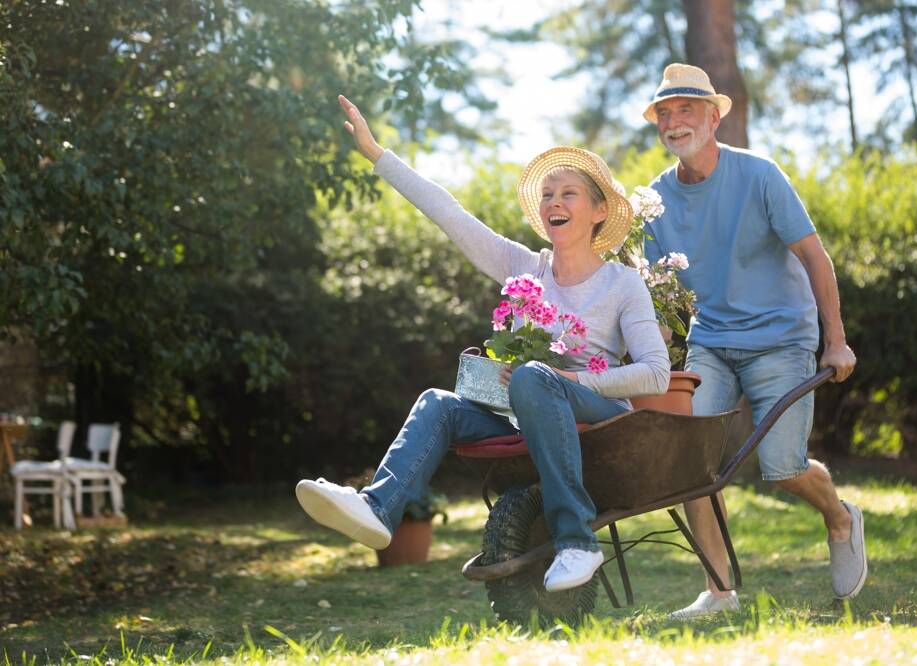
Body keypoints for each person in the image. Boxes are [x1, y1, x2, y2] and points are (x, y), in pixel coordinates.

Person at [295, 94, 670, 592]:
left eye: (569, 193)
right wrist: (376, 155)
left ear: (600, 211)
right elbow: (450, 214)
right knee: (438, 404)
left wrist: (571, 378)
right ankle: (377, 509)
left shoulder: (622, 283)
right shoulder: (526, 267)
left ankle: (577, 542)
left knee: (537, 376)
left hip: (597, 414)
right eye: (548, 193)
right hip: (522, 410)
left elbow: (656, 373)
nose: (554, 201)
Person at [640, 64, 865, 618]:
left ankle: (839, 516)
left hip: (781, 338)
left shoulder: (760, 175)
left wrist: (835, 341)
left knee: (783, 466)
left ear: (714, 117)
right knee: (691, 463)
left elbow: (814, 256)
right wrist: (652, 359)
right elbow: (660, 297)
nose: (674, 122)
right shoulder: (653, 201)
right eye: (665, 113)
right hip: (711, 342)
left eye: (686, 110)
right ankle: (720, 592)